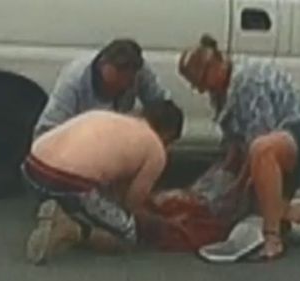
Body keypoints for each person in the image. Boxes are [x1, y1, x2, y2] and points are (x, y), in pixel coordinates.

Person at [177, 34, 300, 260]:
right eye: (194, 85)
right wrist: (214, 185)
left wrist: (238, 187)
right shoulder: (220, 92)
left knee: (261, 154)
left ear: (216, 65)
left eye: (200, 81)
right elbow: (235, 147)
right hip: (279, 143)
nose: (200, 90)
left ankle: (272, 239)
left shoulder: (248, 81)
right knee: (256, 210)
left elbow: (259, 145)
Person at [22, 100, 184, 264]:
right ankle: (72, 230)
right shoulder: (155, 147)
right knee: (127, 235)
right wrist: (157, 221)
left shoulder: (109, 117)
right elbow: (132, 204)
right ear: (168, 134)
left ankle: (58, 208)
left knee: (95, 203)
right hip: (69, 184)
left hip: (32, 169)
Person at [34, 38, 171, 138]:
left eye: (127, 81)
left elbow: (162, 107)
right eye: (117, 78)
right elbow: (46, 130)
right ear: (102, 64)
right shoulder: (73, 81)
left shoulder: (139, 71)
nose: (123, 84)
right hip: (79, 141)